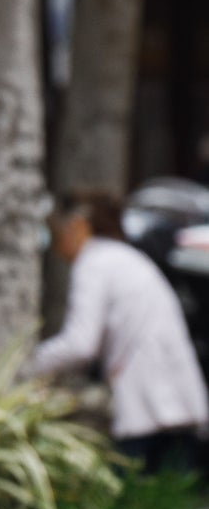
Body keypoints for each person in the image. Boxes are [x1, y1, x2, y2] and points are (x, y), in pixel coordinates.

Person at [34, 189, 209, 473]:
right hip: (175, 400)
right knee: (176, 502)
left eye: (56, 235)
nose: (55, 248)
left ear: (78, 227)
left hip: (146, 407)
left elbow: (80, 343)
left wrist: (29, 363)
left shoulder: (93, 263)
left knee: (131, 497)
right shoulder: (122, 256)